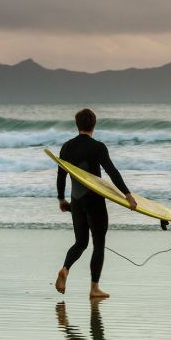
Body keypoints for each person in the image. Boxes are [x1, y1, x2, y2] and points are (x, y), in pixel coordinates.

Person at [54, 108, 137, 299]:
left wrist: (61, 198)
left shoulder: (66, 147)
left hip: (76, 199)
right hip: (94, 201)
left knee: (80, 242)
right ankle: (94, 288)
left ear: (77, 124)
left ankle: (65, 269)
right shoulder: (98, 147)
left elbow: (61, 176)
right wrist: (127, 194)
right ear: (94, 125)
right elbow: (112, 171)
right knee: (98, 243)